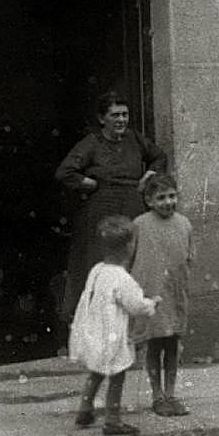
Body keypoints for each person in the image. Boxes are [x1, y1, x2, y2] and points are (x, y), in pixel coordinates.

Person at [54, 91, 167, 323]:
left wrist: (147, 179)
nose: (121, 120)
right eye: (115, 115)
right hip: (102, 210)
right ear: (101, 118)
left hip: (133, 205)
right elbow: (65, 172)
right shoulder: (92, 143)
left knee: (133, 263)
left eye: (124, 115)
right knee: (102, 266)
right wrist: (90, 184)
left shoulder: (134, 139)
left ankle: (134, 322)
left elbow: (159, 157)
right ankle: (101, 323)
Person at [68, 215, 159, 436]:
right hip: (112, 336)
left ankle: (85, 409)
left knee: (97, 372)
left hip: (94, 333)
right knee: (117, 375)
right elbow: (136, 305)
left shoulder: (97, 270)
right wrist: (152, 303)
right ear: (129, 247)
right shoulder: (122, 278)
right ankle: (112, 419)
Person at [129, 173, 194, 417]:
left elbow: (189, 257)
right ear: (149, 200)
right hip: (152, 294)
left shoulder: (185, 224)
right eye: (161, 198)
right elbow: (132, 258)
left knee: (173, 345)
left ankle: (171, 394)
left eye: (172, 196)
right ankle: (157, 396)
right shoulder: (139, 224)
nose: (168, 202)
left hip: (175, 292)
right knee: (155, 344)